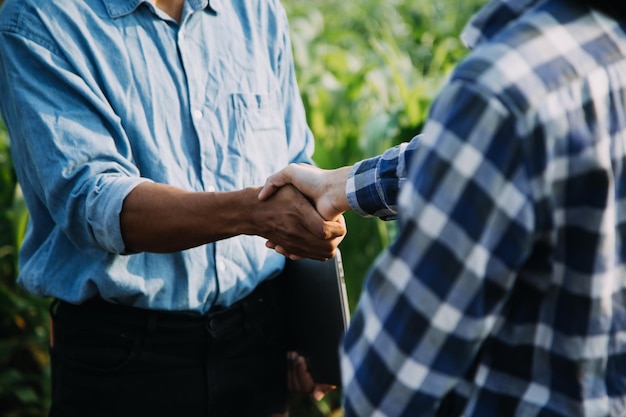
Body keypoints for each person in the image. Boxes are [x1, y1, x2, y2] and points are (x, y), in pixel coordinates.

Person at [260, 0, 626, 415]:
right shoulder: (605, 49)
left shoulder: (504, 86)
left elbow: (399, 369)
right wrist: (337, 186)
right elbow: (487, 157)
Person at [0, 0, 346, 416]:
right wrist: (251, 214)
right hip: (123, 360)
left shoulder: (255, 9)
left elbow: (294, 162)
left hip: (259, 342)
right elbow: (96, 202)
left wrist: (309, 333)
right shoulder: (43, 17)